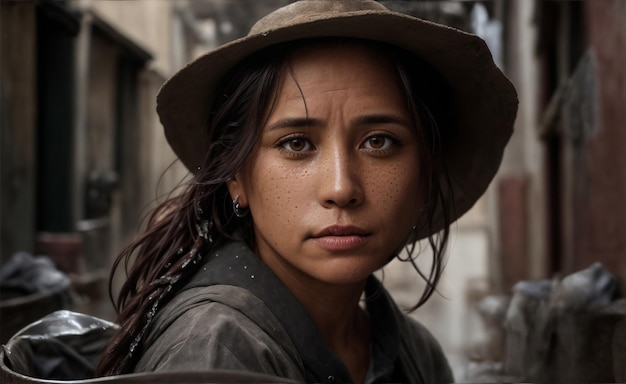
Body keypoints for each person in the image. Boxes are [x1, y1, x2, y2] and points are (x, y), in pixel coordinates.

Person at [96, 1, 517, 383]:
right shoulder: (215, 352)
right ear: (236, 177)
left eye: (379, 141)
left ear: (424, 171)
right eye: (296, 143)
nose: (341, 188)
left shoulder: (413, 351)